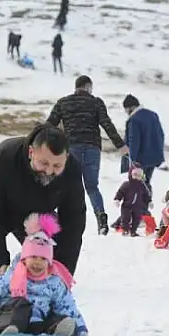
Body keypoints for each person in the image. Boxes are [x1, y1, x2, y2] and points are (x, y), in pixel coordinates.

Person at [0, 124, 87, 336]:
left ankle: (48, 328)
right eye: (44, 163)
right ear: (31, 152)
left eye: (57, 166)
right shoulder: (5, 156)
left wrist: (62, 272)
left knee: (46, 267)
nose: (49, 171)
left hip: (35, 215)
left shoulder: (71, 171)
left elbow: (73, 223)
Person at [0, 213, 93, 336]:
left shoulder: (54, 282)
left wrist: (81, 332)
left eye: (43, 259)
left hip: (39, 326)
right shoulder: (11, 276)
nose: (38, 262)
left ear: (49, 262)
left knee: (61, 317)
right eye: (33, 257)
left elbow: (68, 307)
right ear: (24, 257)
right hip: (10, 321)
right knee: (20, 305)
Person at [46, 75, 128, 234]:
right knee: (92, 187)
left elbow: (49, 126)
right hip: (92, 150)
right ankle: (101, 217)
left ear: (76, 87)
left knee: (65, 185)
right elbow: (107, 124)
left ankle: (59, 219)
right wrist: (121, 145)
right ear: (88, 87)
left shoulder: (63, 102)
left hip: (71, 150)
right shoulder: (96, 102)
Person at [119, 94, 165, 190]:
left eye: (126, 109)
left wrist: (132, 161)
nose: (126, 112)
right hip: (154, 158)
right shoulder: (153, 115)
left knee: (136, 187)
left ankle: (139, 204)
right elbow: (161, 135)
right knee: (146, 183)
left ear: (131, 107)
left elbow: (133, 141)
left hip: (140, 160)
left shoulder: (134, 120)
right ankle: (147, 202)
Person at [114, 165, 151, 236]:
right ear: (131, 174)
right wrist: (117, 199)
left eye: (139, 175)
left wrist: (149, 201)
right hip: (126, 206)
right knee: (125, 217)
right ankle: (125, 230)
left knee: (137, 219)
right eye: (135, 174)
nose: (137, 177)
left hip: (137, 206)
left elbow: (146, 195)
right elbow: (120, 192)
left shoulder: (142, 186)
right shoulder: (126, 184)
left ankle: (133, 231)